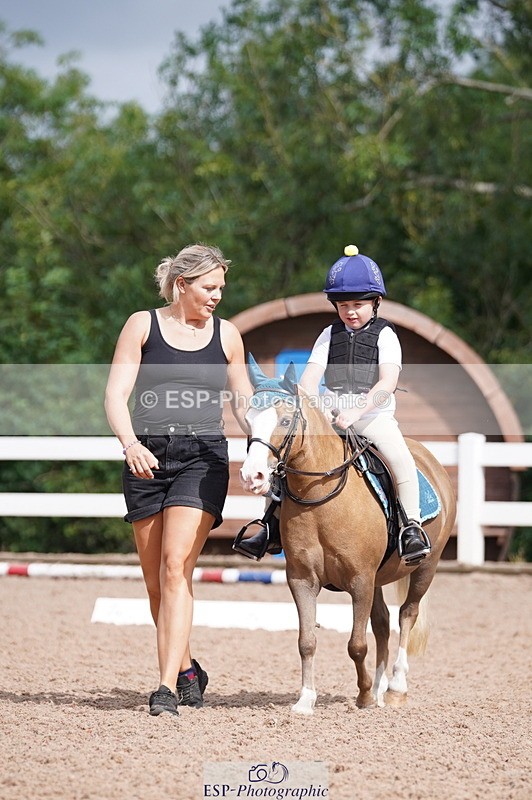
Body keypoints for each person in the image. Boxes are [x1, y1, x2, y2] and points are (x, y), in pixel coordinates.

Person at [105, 243, 252, 717]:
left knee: (174, 568)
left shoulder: (228, 336)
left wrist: (262, 443)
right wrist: (131, 444)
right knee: (155, 584)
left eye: (221, 289)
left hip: (203, 458)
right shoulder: (141, 324)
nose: (217, 297)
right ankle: (189, 669)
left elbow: (243, 398)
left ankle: (166, 687)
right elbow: (115, 394)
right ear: (181, 284)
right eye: (209, 288)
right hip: (146, 458)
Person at [239, 244, 431, 565]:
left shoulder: (386, 336)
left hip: (373, 415)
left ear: (375, 303)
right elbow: (310, 380)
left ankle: (410, 527)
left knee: (399, 459)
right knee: (287, 455)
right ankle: (270, 525)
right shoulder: (329, 335)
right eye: (344, 306)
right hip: (331, 413)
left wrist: (357, 411)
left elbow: (387, 384)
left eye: (358, 305)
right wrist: (320, 407)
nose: (351, 312)